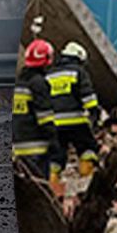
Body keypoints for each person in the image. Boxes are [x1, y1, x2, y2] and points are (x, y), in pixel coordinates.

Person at [45, 41, 103, 175]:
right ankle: (86, 178)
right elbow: (87, 95)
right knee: (87, 148)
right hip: (76, 121)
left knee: (56, 157)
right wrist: (94, 113)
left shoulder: (49, 74)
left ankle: (53, 186)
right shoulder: (78, 72)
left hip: (54, 123)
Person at [12, 39, 61, 180]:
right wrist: (54, 142)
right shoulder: (39, 83)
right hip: (37, 149)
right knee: (39, 190)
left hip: (18, 148)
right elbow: (45, 117)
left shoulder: (18, 84)